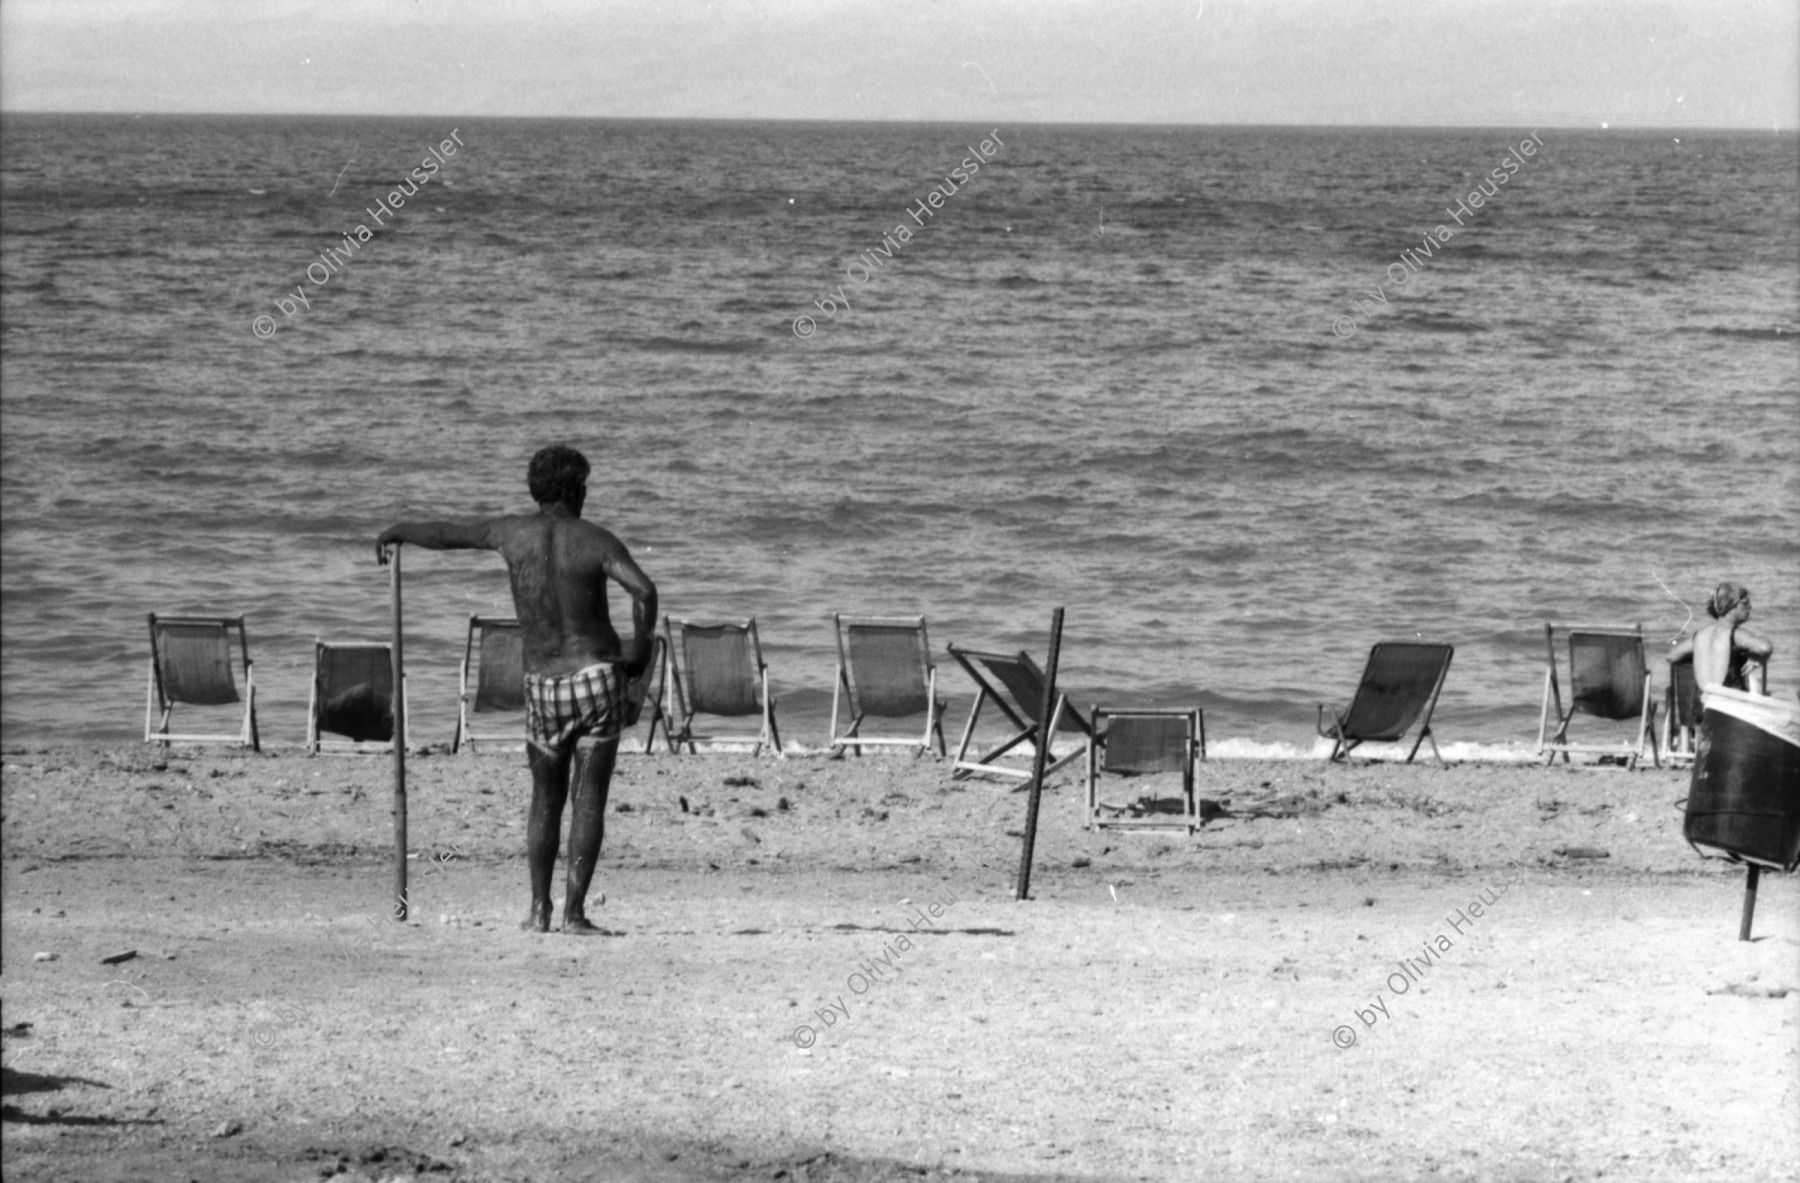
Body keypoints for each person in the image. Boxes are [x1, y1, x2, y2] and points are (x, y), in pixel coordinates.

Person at [376, 445, 657, 935]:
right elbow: (644, 591)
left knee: (545, 798)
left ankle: (538, 911)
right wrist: (638, 652)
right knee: (588, 797)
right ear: (574, 490)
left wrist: (401, 529)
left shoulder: (510, 533)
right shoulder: (596, 540)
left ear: (536, 490)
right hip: (596, 679)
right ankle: (574, 913)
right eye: (585, 486)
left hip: (543, 684)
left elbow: (448, 535)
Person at [1669, 581, 1772, 695]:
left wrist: (1703, 655)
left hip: (1701, 707)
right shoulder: (1734, 634)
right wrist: (1757, 660)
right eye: (1745, 602)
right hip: (1728, 705)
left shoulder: (1700, 634)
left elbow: (1672, 656)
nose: (1750, 606)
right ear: (1732, 605)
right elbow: (1764, 648)